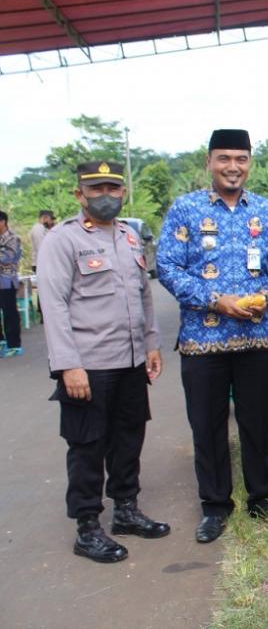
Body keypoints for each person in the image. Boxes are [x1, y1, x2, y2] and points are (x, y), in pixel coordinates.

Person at [157, 129, 268, 543]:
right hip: (204, 341)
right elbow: (167, 267)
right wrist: (216, 300)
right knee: (207, 426)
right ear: (209, 162)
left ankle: (261, 497)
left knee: (257, 422)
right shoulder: (186, 210)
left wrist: (264, 295)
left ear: (249, 163)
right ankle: (215, 505)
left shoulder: (266, 211)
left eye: (240, 158)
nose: (232, 167)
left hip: (256, 338)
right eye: (224, 158)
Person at [36, 161, 169, 563]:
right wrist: (67, 365)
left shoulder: (129, 237)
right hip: (87, 365)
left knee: (129, 437)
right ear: (80, 195)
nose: (106, 195)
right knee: (87, 446)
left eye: (113, 187)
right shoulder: (63, 240)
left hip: (129, 361)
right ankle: (88, 527)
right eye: (97, 189)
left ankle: (125, 509)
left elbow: (144, 297)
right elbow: (53, 306)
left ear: (123, 192)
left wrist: (151, 343)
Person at [0, 210, 23, 357]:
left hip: (6, 281)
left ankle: (14, 344)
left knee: (10, 314)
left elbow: (7, 258)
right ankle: (1, 341)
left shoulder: (13, 238)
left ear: (2, 222)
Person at [30, 209, 55, 323]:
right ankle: (44, 314)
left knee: (47, 287)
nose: (51, 222)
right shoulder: (38, 229)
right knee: (44, 288)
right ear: (45, 217)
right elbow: (42, 248)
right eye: (50, 219)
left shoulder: (43, 229)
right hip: (41, 262)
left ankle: (46, 313)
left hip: (43, 262)